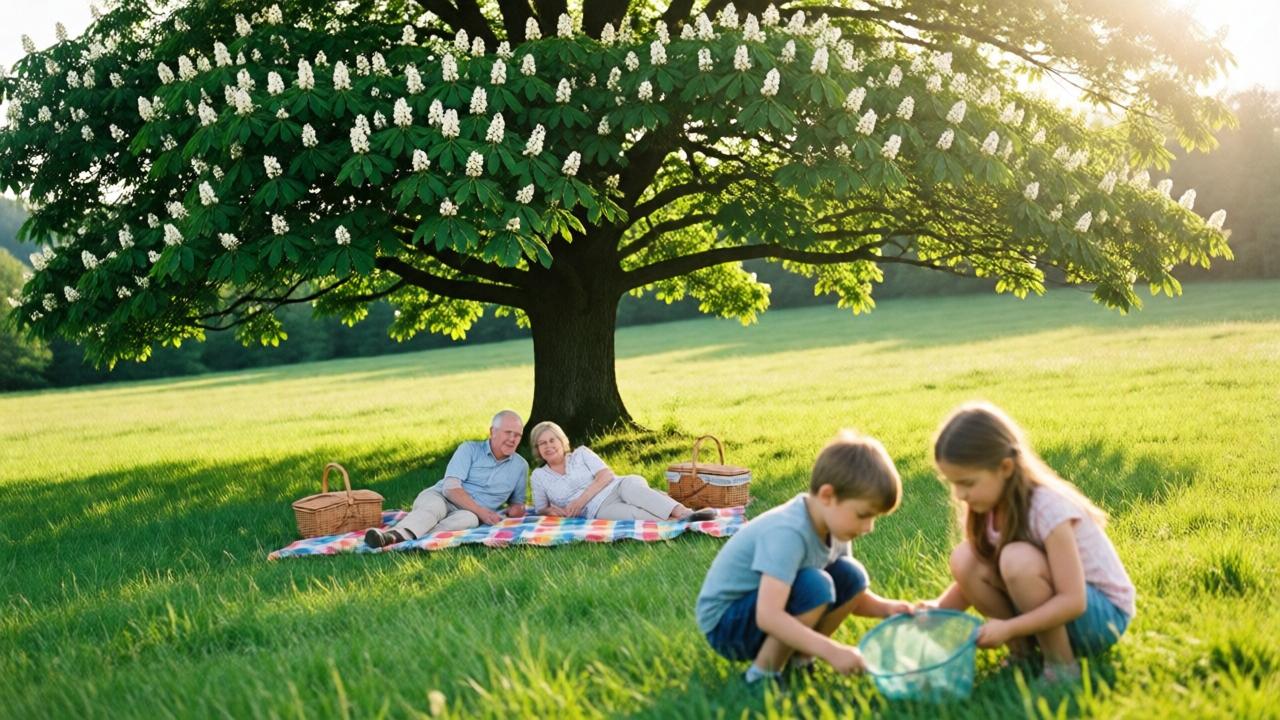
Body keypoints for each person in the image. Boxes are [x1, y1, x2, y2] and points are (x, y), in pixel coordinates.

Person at [931, 402, 1135, 681]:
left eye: (967, 483)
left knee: (1017, 559)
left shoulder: (1046, 508)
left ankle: (1062, 668)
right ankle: (1023, 656)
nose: (959, 494)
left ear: (1004, 467)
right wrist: (933, 613)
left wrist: (1010, 628)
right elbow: (974, 579)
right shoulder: (988, 506)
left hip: (1100, 619)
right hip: (1050, 610)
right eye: (953, 483)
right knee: (965, 559)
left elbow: (1073, 601)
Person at [695, 431, 916, 686]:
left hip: (759, 613)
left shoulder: (835, 525)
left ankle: (799, 662)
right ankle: (761, 676)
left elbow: (851, 595)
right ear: (827, 496)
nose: (868, 527)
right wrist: (832, 651)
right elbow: (768, 615)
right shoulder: (788, 532)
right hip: (727, 626)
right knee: (815, 585)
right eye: (863, 514)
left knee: (851, 575)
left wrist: (888, 608)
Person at [364, 410, 529, 548]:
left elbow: (517, 504)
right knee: (433, 509)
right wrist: (482, 512)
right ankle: (390, 536)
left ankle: (408, 535)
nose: (513, 439)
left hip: (469, 513)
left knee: (468, 520)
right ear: (492, 431)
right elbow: (450, 489)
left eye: (518, 435)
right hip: (441, 497)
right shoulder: (469, 450)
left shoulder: (520, 466)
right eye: (508, 433)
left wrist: (516, 509)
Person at [527, 421, 716, 522]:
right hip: (598, 509)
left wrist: (580, 500)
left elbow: (606, 475)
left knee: (636, 492)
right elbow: (541, 508)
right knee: (635, 515)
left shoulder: (581, 453)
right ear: (537, 449)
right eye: (542, 443)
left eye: (553, 440)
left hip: (617, 486)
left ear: (562, 442)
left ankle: (684, 513)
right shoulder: (539, 476)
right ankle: (679, 522)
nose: (548, 446)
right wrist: (552, 512)